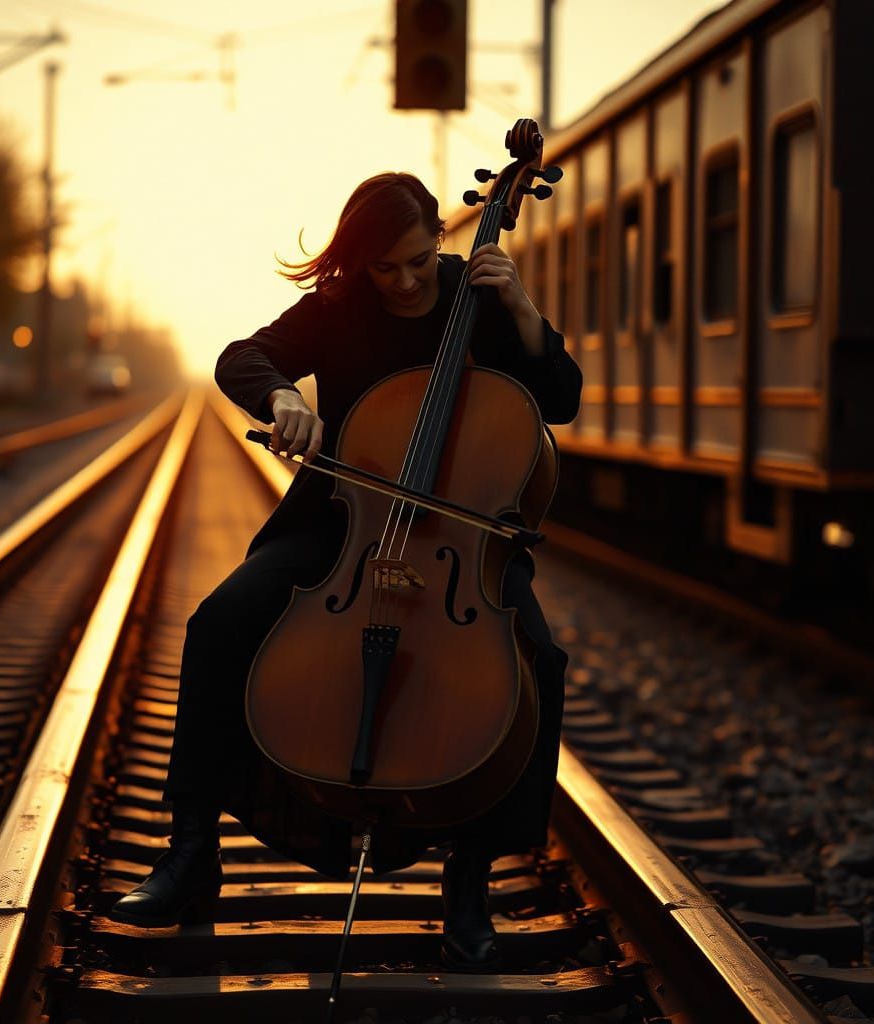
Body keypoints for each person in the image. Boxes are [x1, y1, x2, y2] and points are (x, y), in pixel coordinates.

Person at [109, 172, 582, 971]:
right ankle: (190, 853)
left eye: (416, 262)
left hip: (463, 545)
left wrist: (528, 316)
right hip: (343, 529)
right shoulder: (338, 306)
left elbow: (560, 401)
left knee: (538, 656)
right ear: (357, 263)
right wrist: (284, 395)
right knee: (217, 623)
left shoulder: (483, 296)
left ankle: (469, 887)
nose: (401, 282)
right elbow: (242, 358)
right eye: (382, 268)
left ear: (441, 235)